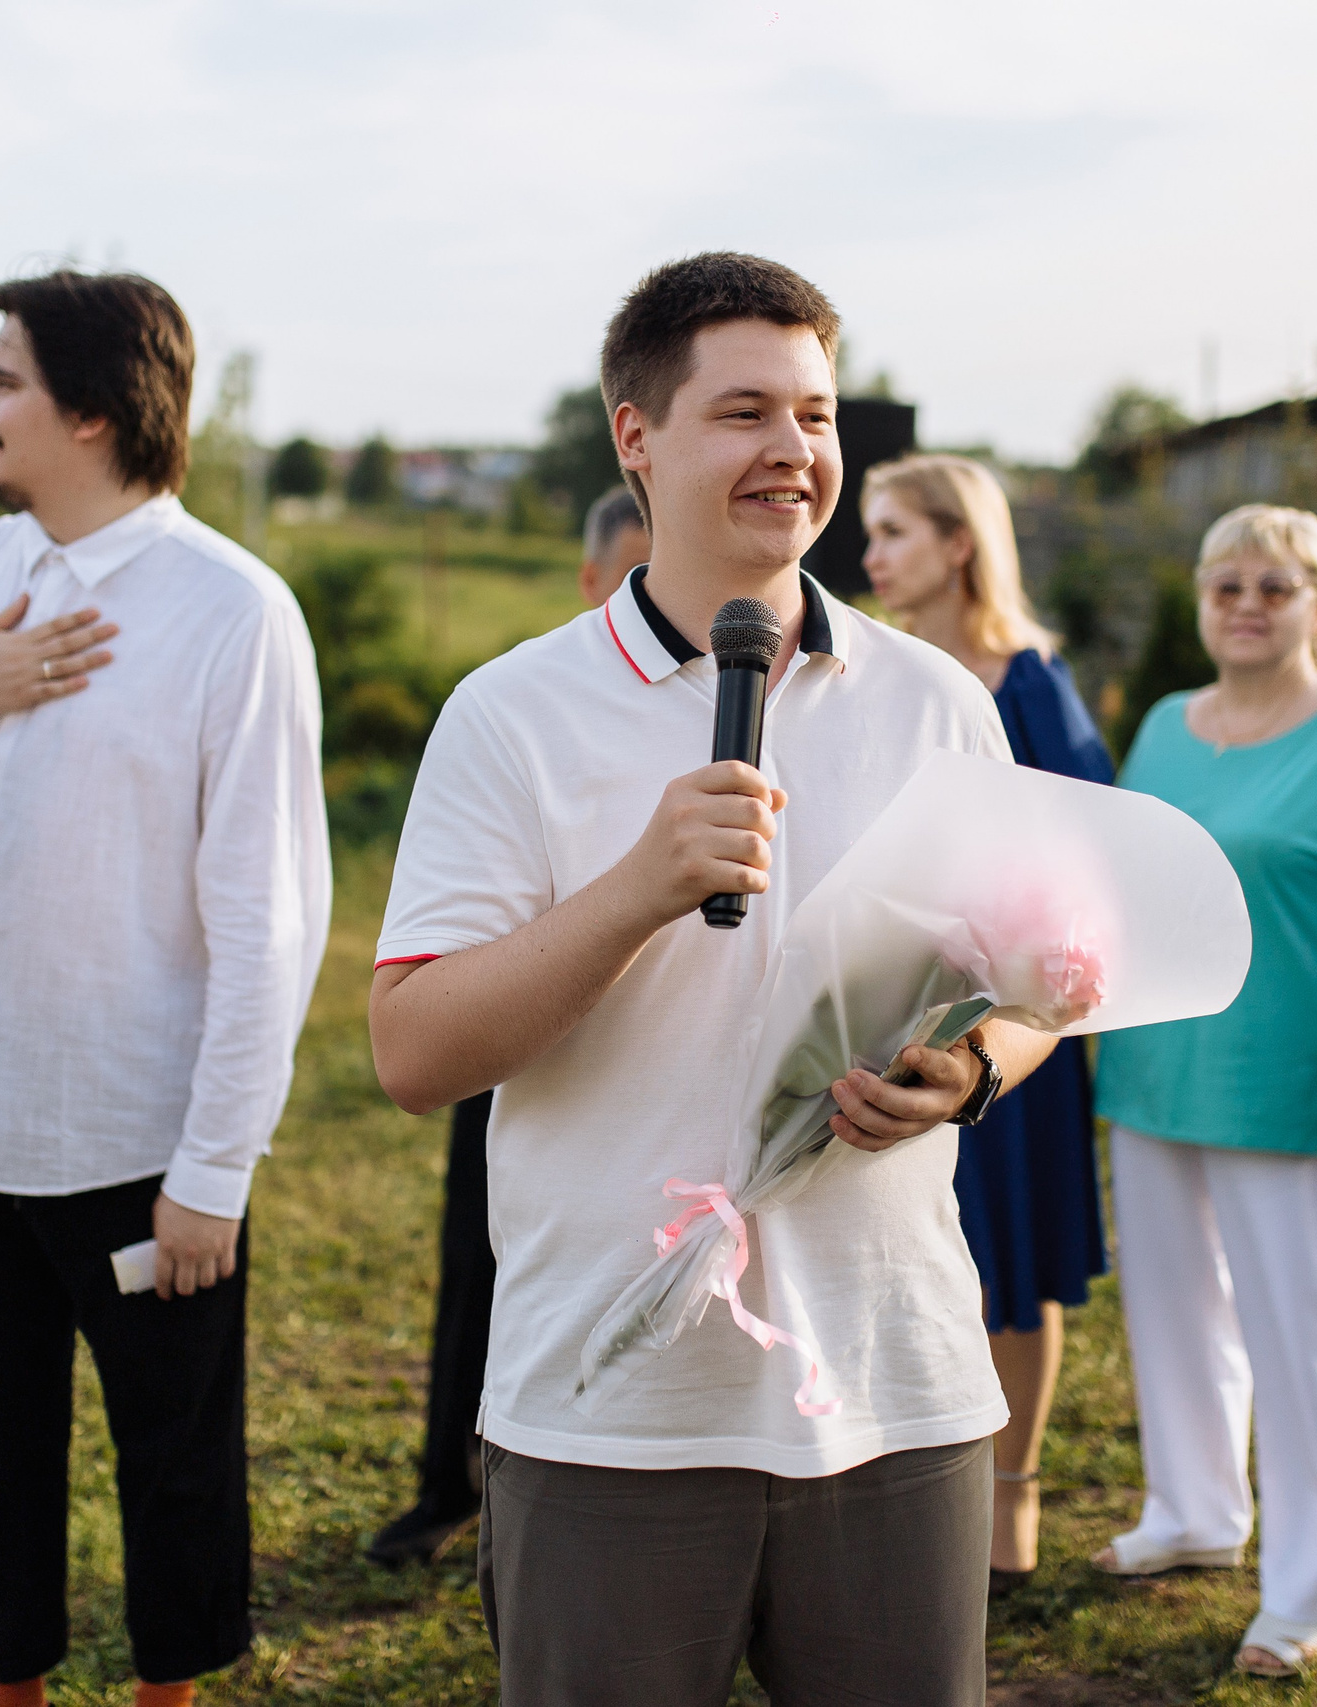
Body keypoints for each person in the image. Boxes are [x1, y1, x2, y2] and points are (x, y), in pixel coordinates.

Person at [369, 252, 1078, 1707]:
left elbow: (1039, 981)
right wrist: (637, 886)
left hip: (896, 1393)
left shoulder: (941, 702)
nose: (795, 452)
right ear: (637, 436)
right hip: (611, 1405)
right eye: (745, 410)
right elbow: (413, 1050)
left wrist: (977, 1064)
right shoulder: (511, 713)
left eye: (815, 415)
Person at [0, 271, 332, 1707]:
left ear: (94, 406)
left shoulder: (234, 613)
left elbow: (270, 919)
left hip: (145, 1148)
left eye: (2, 376)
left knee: (176, 1473)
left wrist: (216, 1167)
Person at [1091, 504, 1317, 1679]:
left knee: (1301, 1338)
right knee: (1172, 1310)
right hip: (1155, 1065)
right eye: (1225, 585)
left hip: (1292, 1077)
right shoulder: (1162, 725)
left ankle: (1303, 1591)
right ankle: (1193, 1511)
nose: (1246, 605)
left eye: (1274, 586)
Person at [366, 484, 648, 1568]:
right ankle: (452, 1483)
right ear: (589, 581)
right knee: (477, 1261)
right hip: (509, 1026)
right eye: (629, 569)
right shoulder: (528, 708)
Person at [860, 453, 1112, 1585]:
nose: (870, 558)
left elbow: (1083, 844)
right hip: (895, 1002)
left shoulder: (1028, 680)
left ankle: (1015, 1493)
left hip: (1011, 1019)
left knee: (1010, 1259)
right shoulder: (877, 677)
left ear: (958, 544)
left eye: (894, 533)